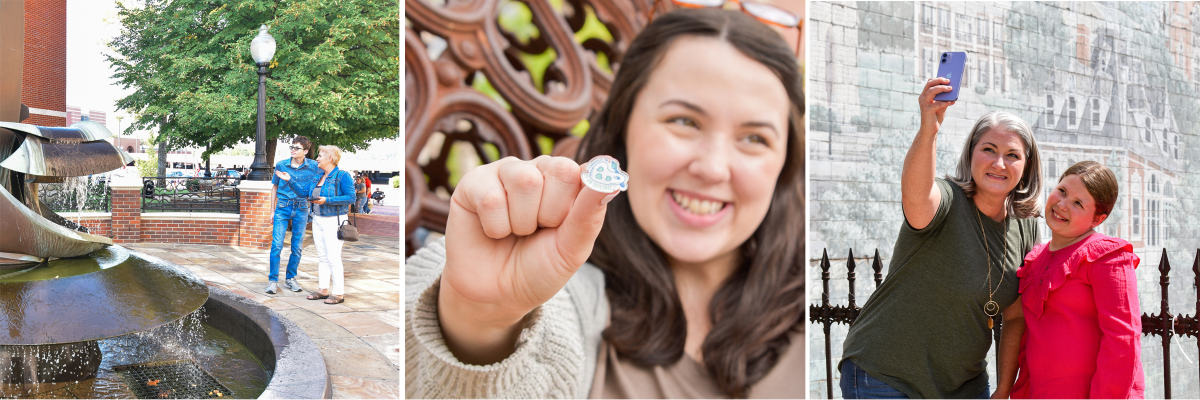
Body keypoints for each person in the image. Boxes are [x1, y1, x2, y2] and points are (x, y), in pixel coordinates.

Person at [406, 8, 804, 398]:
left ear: (786, 163)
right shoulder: (565, 293)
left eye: (755, 138)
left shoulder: (822, 305)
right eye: (684, 121)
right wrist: (482, 320)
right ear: (622, 128)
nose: (714, 168)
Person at [838, 90, 1045, 397]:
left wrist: (1003, 388)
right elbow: (917, 197)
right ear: (971, 154)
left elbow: (1015, 317)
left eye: (1012, 155)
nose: (999, 163)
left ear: (1026, 167)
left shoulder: (1026, 226)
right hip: (885, 376)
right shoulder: (947, 199)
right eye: (989, 149)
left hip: (964, 386)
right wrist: (929, 128)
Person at [1008, 161, 1143, 399]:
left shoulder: (1107, 257)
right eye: (1062, 191)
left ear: (1097, 219)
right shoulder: (1034, 259)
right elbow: (1029, 341)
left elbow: (1123, 340)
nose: (1062, 205)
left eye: (1078, 203)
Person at [265, 136, 321, 295]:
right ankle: (273, 280)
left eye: (297, 148)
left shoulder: (313, 166)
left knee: (297, 247)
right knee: (276, 245)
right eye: (292, 147)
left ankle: (291, 278)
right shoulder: (282, 164)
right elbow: (274, 187)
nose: (293, 150)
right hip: (283, 207)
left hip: (302, 207)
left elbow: (327, 171)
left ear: (306, 151)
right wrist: (272, 210)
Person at [305, 145, 355, 304]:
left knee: (333, 257)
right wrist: (289, 180)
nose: (317, 158)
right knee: (322, 257)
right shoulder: (318, 176)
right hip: (317, 219)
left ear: (330, 159)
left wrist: (328, 200)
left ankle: (339, 293)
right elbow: (305, 192)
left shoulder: (342, 176)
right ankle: (323, 289)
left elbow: (351, 198)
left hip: (334, 220)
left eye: (320, 156)